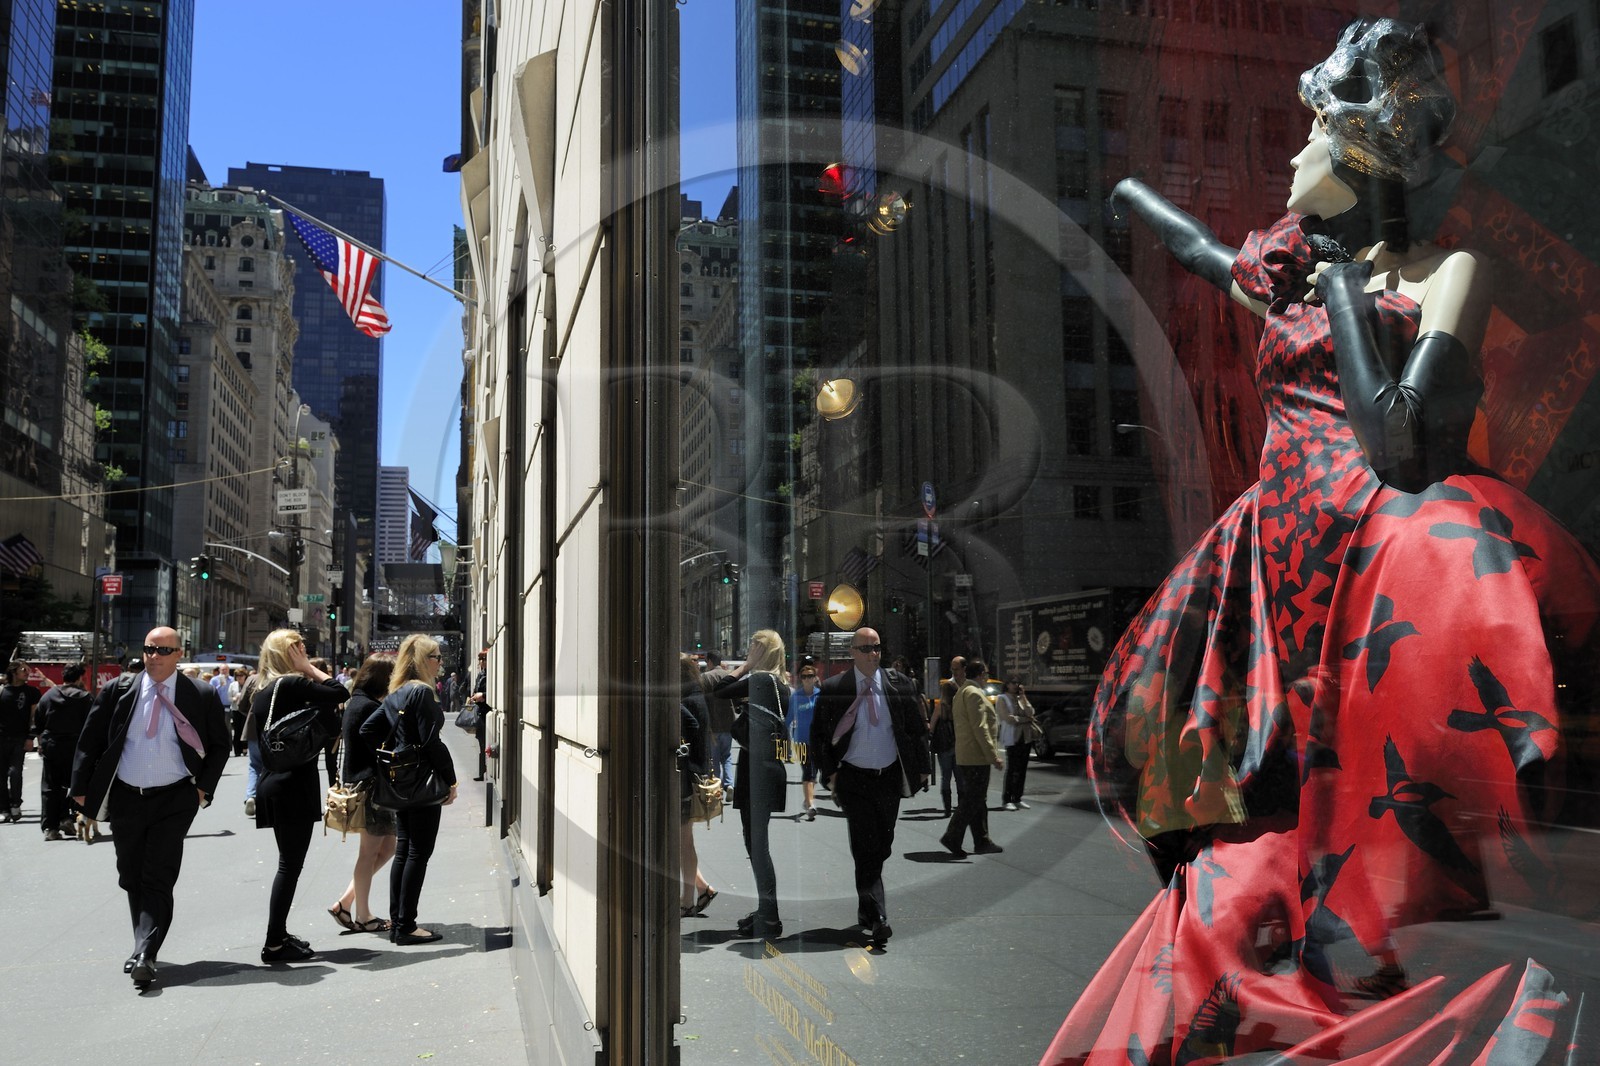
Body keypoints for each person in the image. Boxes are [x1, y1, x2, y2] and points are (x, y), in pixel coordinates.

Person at [1044, 18, 1600, 1062]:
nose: (1289, 156)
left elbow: (1397, 439)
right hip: (1276, 539)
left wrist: (1343, 296)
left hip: (1379, 538)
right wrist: (1125, 202)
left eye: (1308, 136)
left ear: (1357, 150)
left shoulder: (1449, 273)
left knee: (1377, 772)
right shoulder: (1284, 274)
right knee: (1242, 753)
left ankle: (1382, 940)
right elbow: (1204, 253)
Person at [69, 626, 229, 988]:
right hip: (126, 795)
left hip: (175, 797)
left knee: (158, 874)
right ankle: (143, 942)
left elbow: (221, 744)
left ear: (178, 654)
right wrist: (80, 789)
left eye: (162, 650)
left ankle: (146, 953)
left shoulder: (198, 693)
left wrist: (203, 789)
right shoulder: (120, 690)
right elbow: (90, 739)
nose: (153, 656)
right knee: (130, 873)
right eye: (148, 649)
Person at [810, 627, 931, 949]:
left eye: (877, 647)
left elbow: (917, 730)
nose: (873, 653)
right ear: (852, 652)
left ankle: (866, 910)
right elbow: (819, 736)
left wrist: (922, 768)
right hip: (854, 779)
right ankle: (878, 918)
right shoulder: (836, 688)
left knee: (882, 845)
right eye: (865, 648)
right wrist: (830, 772)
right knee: (866, 849)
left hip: (889, 776)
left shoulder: (899, 684)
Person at [251, 628, 348, 963]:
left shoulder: (264, 689)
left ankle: (279, 934)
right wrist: (310, 668)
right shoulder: (291, 684)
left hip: (276, 780)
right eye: (297, 646)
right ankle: (274, 942)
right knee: (289, 865)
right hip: (292, 784)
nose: (303, 649)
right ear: (285, 653)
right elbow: (339, 691)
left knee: (288, 863)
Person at [360, 633, 458, 944]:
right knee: (417, 852)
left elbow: (368, 730)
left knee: (404, 850)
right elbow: (432, 742)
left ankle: (401, 922)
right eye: (436, 657)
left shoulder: (397, 693)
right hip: (422, 783)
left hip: (400, 784)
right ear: (422, 661)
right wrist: (451, 780)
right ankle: (406, 926)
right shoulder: (422, 694)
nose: (440, 663)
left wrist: (392, 759)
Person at [711, 629, 789, 939]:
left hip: (757, 769)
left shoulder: (762, 681)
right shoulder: (779, 684)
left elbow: (720, 690)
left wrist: (745, 665)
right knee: (757, 844)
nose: (749, 650)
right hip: (765, 766)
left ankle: (769, 917)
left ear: (764, 651)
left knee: (757, 845)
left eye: (754, 647)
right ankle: (765, 911)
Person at [327, 654, 397, 934]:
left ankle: (345, 903)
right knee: (369, 853)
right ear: (383, 678)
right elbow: (379, 748)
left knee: (386, 848)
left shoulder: (356, 702)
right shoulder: (367, 706)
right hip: (370, 787)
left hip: (365, 784)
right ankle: (363, 916)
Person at [938, 657, 1003, 857]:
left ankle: (982, 840)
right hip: (977, 756)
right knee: (972, 800)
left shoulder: (962, 692)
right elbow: (980, 727)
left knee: (977, 800)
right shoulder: (974, 694)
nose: (986, 678)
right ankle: (952, 836)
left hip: (966, 755)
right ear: (981, 674)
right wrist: (993, 756)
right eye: (986, 674)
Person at [677, 653, 716, 917]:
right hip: (694, 775)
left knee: (684, 841)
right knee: (682, 840)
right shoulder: (696, 695)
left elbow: (689, 726)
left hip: (686, 778)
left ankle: (688, 900)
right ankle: (703, 888)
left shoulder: (685, 699)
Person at [36, 663, 92, 839]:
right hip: (77, 748)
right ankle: (67, 816)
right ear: (79, 678)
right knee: (78, 785)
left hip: (53, 746)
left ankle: (50, 827)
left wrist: (41, 741)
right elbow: (93, 724)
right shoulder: (85, 697)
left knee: (51, 786)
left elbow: (39, 719)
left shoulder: (50, 694)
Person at [0, 661, 40, 822]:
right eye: (23, 669)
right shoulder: (2, 691)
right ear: (14, 672)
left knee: (15, 773)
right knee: (1, 775)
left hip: (20, 738)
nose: (27, 672)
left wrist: (31, 737)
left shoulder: (32, 692)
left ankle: (16, 803)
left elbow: (34, 717)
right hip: (1, 738)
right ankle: (3, 808)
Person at [994, 679, 1036, 811]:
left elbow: (1031, 712)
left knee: (1022, 769)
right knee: (1012, 769)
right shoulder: (1002, 698)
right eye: (1012, 682)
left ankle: (1017, 798)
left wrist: (1023, 696)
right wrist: (1025, 720)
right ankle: (1007, 799)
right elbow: (1008, 718)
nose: (1015, 685)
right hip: (1012, 737)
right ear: (1006, 685)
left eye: (1017, 683)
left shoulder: (1020, 698)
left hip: (1025, 737)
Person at [928, 656, 963, 815]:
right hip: (958, 744)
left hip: (944, 747)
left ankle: (947, 809)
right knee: (960, 778)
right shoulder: (958, 706)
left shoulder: (939, 706)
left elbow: (932, 725)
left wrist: (930, 736)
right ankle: (961, 806)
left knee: (945, 777)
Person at [786, 661, 820, 820]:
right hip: (801, 740)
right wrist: (781, 733)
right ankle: (810, 803)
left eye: (810, 676)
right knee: (808, 771)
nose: (807, 679)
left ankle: (807, 802)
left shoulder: (820, 695)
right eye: (804, 677)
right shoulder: (796, 697)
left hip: (818, 740)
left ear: (815, 678)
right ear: (801, 679)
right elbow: (789, 718)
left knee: (814, 772)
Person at [701, 651, 737, 793]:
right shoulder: (729, 676)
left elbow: (703, 701)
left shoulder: (705, 677)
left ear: (709, 661)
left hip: (713, 724)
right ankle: (729, 784)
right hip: (728, 724)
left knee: (714, 758)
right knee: (727, 756)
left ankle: (718, 787)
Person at [468, 648, 490, 780]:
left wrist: (483, 695)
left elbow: (495, 692)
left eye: (484, 659)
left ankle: (484, 772)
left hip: (486, 711)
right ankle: (482, 772)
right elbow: (476, 690)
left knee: (485, 743)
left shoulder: (491, 674)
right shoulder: (481, 674)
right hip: (480, 712)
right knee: (481, 743)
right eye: (480, 659)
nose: (482, 662)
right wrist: (473, 697)